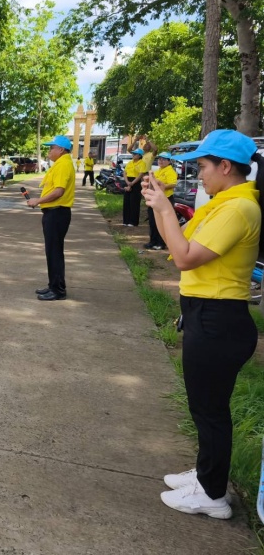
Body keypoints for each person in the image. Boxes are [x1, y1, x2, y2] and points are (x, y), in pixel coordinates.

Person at [144, 130, 262, 520]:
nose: (200, 174)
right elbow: (177, 242)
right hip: (207, 316)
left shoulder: (237, 209)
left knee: (210, 410)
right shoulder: (223, 204)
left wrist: (165, 208)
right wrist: (159, 207)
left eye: (203, 167)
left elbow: (185, 258)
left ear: (225, 166)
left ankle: (212, 495)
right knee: (204, 406)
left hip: (218, 320)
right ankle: (207, 475)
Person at [26, 135, 75, 301]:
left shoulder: (63, 164)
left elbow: (59, 191)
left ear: (61, 149)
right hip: (54, 213)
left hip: (57, 213)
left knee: (54, 252)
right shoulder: (61, 163)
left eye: (51, 148)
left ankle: (58, 290)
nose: (49, 151)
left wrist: (37, 201)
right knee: (53, 251)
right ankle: (53, 285)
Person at [144, 152, 178, 250]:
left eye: (163, 159)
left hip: (165, 198)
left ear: (169, 161)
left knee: (162, 222)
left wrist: (161, 186)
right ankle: (153, 241)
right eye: (159, 159)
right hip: (155, 198)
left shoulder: (170, 171)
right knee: (152, 221)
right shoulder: (158, 171)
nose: (161, 161)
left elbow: (173, 184)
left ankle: (160, 243)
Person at [123, 148, 145, 227]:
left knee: (134, 203)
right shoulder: (130, 162)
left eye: (135, 154)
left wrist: (132, 183)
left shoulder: (142, 163)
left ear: (139, 155)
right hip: (128, 181)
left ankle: (133, 221)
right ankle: (126, 220)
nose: (133, 155)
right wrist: (127, 182)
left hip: (136, 182)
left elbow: (140, 175)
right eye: (133, 154)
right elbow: (125, 173)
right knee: (127, 202)